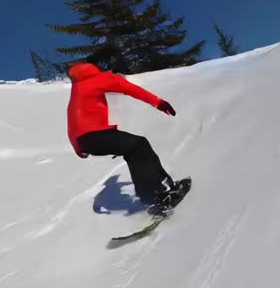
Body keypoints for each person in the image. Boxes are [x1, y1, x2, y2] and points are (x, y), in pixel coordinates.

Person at [65, 62, 188, 212]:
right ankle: (155, 197)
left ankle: (158, 189)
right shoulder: (100, 78)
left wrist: (79, 148)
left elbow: (73, 122)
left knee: (138, 146)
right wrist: (158, 102)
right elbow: (130, 89)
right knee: (138, 146)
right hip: (97, 134)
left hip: (86, 140)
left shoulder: (77, 87)